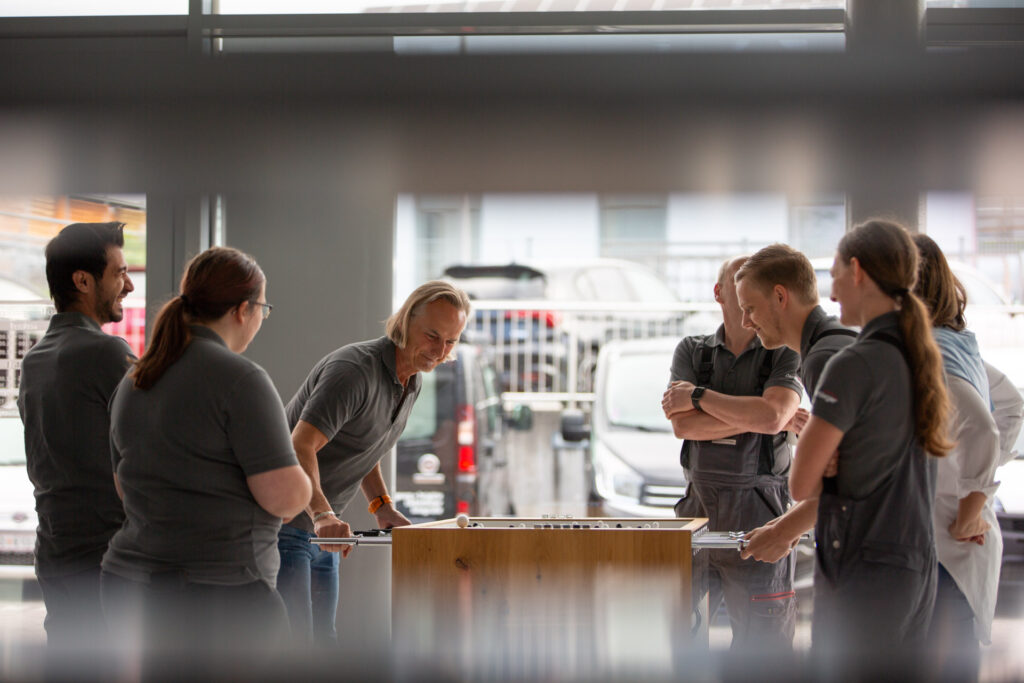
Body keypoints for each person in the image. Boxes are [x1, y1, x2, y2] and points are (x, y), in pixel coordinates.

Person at [101, 247, 311, 673]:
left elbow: (126, 487)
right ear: (243, 310)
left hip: (131, 585)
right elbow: (284, 499)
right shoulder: (241, 378)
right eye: (263, 308)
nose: (261, 318)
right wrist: (304, 481)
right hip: (219, 596)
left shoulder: (136, 379)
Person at [790, 220, 952, 672]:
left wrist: (826, 459)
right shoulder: (922, 357)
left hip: (865, 573)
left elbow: (801, 484)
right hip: (915, 568)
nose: (832, 292)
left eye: (835, 274)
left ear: (857, 271)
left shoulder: (854, 364)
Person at [278, 280, 470, 646]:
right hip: (284, 526)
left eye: (450, 341)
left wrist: (382, 506)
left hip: (322, 532)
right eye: (432, 336)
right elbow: (299, 446)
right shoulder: (354, 371)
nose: (439, 351)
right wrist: (322, 514)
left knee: (324, 644)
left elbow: (366, 444)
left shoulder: (410, 380)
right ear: (406, 320)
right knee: (297, 650)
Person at [661, 256, 802, 651]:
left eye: (753, 285)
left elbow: (774, 416)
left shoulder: (784, 352)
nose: (744, 293)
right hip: (697, 517)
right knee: (680, 647)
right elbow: (683, 426)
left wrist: (700, 398)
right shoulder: (692, 350)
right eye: (737, 282)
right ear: (719, 292)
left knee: (764, 655)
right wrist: (761, 416)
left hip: (761, 520)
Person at [17, 222, 135, 651]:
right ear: (83, 281)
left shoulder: (35, 360)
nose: (128, 287)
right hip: (106, 560)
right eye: (119, 273)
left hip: (56, 553)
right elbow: (158, 442)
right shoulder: (106, 352)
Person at [913, 233, 1024, 681]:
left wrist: (971, 504)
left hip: (946, 542)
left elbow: (982, 425)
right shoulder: (956, 344)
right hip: (948, 539)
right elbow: (1012, 405)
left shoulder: (934, 353)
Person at [732, 244, 857, 563]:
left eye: (750, 308)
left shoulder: (823, 358)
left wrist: (781, 533)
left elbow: (850, 478)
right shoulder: (835, 343)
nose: (746, 322)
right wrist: (780, 527)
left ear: (779, 296)